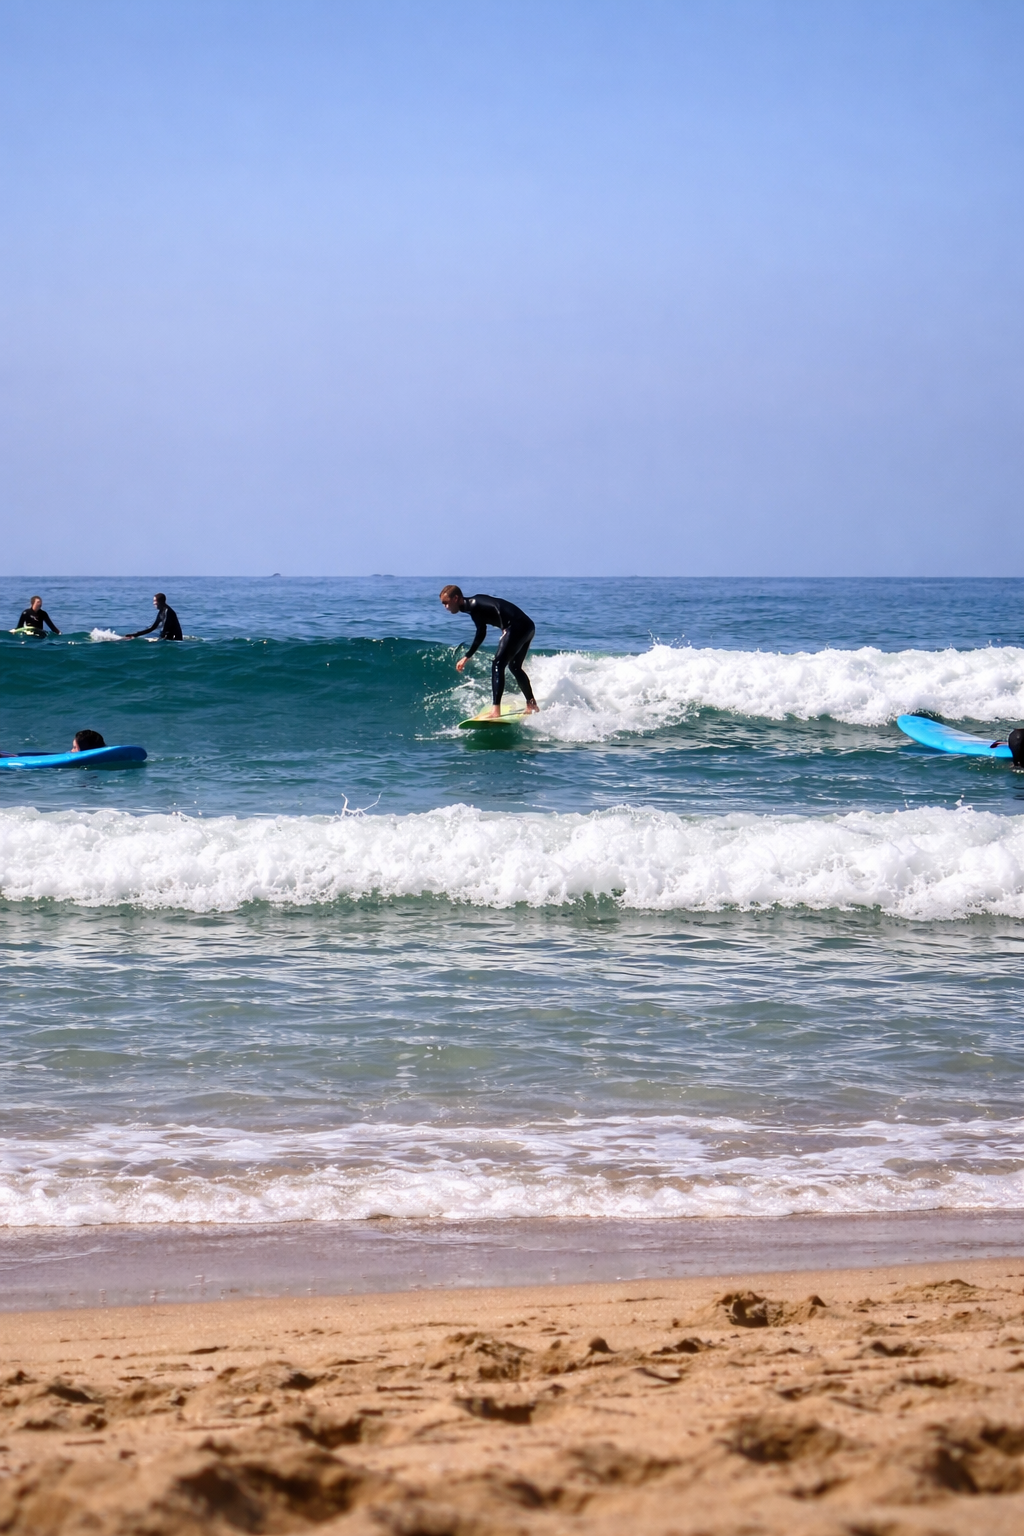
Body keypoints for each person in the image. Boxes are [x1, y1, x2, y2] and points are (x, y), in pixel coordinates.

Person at [440, 585, 539, 718]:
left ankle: (495, 711)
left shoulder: (474, 605)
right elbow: (481, 631)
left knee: (498, 664)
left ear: (456, 598)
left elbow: (496, 606)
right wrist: (467, 657)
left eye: (446, 603)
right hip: (528, 626)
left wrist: (504, 627)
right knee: (514, 667)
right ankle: (531, 704)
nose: (445, 607)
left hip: (517, 627)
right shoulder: (472, 607)